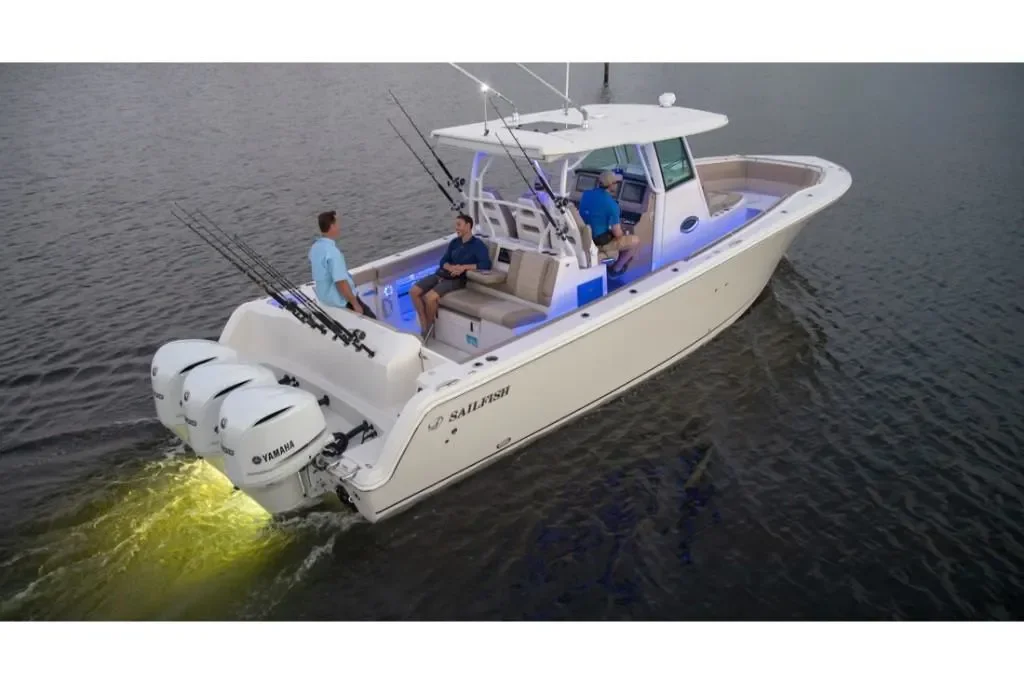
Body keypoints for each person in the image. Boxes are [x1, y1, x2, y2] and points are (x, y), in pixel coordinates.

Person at [410, 213, 491, 338]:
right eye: (456, 225)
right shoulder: (454, 242)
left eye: (459, 225)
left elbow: (486, 264)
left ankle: (430, 328)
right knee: (414, 291)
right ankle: (424, 323)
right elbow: (443, 261)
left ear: (468, 226)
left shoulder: (477, 245)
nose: (456, 228)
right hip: (442, 274)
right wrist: (449, 267)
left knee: (429, 297)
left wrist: (464, 267)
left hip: (457, 279)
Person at [308, 210, 377, 319]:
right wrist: (355, 304)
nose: (339, 227)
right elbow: (340, 282)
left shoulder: (315, 248)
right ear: (332, 226)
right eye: (337, 224)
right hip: (342, 302)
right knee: (373, 321)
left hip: (325, 300)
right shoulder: (332, 252)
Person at [577, 169, 639, 277]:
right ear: (611, 185)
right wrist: (624, 233)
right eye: (616, 183)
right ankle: (616, 269)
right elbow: (617, 234)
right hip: (600, 243)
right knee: (635, 241)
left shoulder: (586, 195)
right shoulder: (612, 205)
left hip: (585, 237)